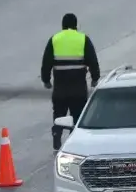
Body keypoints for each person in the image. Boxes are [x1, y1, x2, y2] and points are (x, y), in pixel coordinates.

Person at [41, 13, 101, 150]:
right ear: (76, 25)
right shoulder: (83, 39)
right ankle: (75, 141)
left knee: (59, 113)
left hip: (60, 86)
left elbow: (46, 62)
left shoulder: (54, 39)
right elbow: (93, 61)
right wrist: (95, 78)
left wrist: (46, 80)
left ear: (62, 25)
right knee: (78, 115)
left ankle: (57, 135)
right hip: (78, 86)